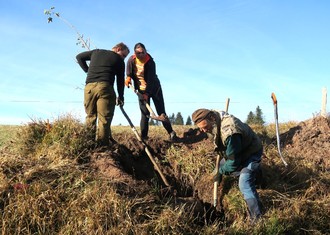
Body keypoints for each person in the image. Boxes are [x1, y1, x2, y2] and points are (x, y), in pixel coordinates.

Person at [191, 108, 264, 221]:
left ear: (212, 119)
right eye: (201, 128)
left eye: (205, 127)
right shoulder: (214, 119)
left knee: (244, 183)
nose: (204, 131)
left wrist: (221, 171)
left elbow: (233, 162)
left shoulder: (230, 132)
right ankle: (252, 173)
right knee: (220, 165)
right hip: (238, 150)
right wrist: (220, 169)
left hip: (251, 152)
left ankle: (257, 218)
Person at [76, 42, 130, 147]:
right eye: (123, 55)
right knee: (104, 119)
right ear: (118, 49)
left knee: (90, 116)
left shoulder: (96, 52)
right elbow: (120, 81)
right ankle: (102, 148)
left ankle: (88, 145)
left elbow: (79, 57)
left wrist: (87, 71)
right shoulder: (119, 61)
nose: (123, 58)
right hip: (105, 88)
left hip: (89, 88)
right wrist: (121, 96)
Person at [125, 42, 177, 141]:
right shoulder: (131, 60)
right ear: (135, 53)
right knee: (144, 114)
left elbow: (151, 79)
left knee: (161, 112)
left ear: (145, 51)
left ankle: (171, 132)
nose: (141, 55)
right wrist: (128, 77)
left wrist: (147, 93)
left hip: (154, 88)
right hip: (140, 90)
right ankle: (144, 137)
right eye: (138, 53)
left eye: (142, 52)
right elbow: (129, 72)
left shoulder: (150, 62)